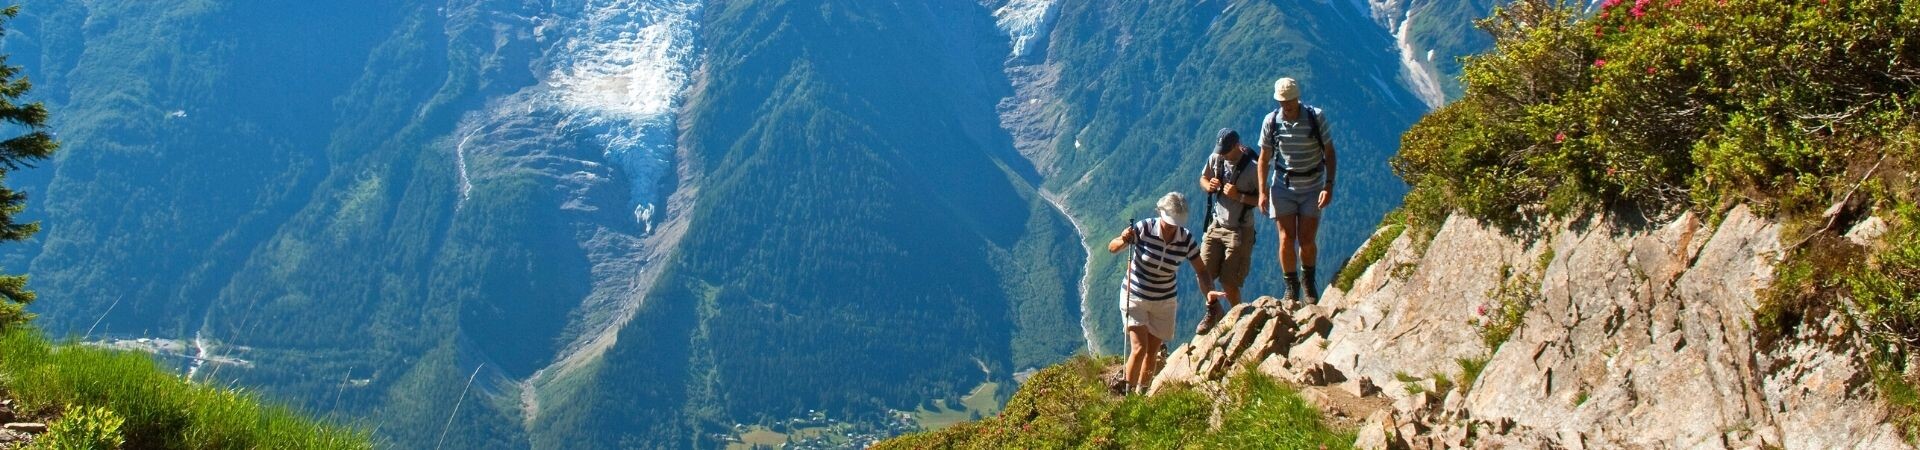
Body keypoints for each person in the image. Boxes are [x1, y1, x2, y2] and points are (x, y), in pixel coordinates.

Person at [1107, 192, 1221, 394]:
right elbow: (1113, 248)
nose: (1171, 227)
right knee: (1140, 348)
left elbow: (1202, 270)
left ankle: (1141, 393)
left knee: (1152, 352)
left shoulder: (1186, 240)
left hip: (1164, 301)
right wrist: (1124, 238)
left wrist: (1209, 294)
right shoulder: (1143, 228)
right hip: (1135, 295)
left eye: (1175, 223)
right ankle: (1128, 394)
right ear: (1159, 213)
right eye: (1169, 222)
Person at [1257, 77, 1337, 304]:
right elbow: (1264, 159)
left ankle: (1308, 283)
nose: (1287, 105)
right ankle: (1291, 287)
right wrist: (1262, 192)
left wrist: (1328, 186)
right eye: (1283, 101)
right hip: (1283, 186)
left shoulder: (1315, 117)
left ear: (1297, 97)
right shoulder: (1271, 121)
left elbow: (1329, 153)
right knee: (1285, 239)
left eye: (1290, 100)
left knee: (1306, 240)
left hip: (1312, 186)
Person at [1196, 128, 1260, 334]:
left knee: (1229, 282)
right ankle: (1214, 310)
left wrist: (1239, 196)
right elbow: (1203, 179)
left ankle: (1239, 318)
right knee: (1203, 272)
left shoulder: (1252, 169)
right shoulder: (1216, 158)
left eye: (1226, 150)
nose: (1221, 153)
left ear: (1236, 146)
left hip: (1239, 229)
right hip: (1217, 224)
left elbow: (1262, 200)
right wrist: (1209, 185)